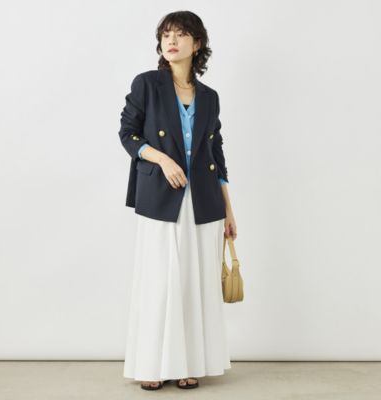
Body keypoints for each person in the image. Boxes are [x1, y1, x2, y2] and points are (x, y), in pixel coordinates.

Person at [118, 11, 237, 390]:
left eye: (181, 34)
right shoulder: (147, 84)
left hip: (204, 202)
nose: (171, 41)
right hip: (160, 197)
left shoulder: (209, 97)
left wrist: (229, 210)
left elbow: (216, 154)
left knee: (193, 284)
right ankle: (151, 365)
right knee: (159, 281)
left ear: (196, 44)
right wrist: (163, 159)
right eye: (166, 34)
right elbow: (128, 133)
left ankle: (187, 364)